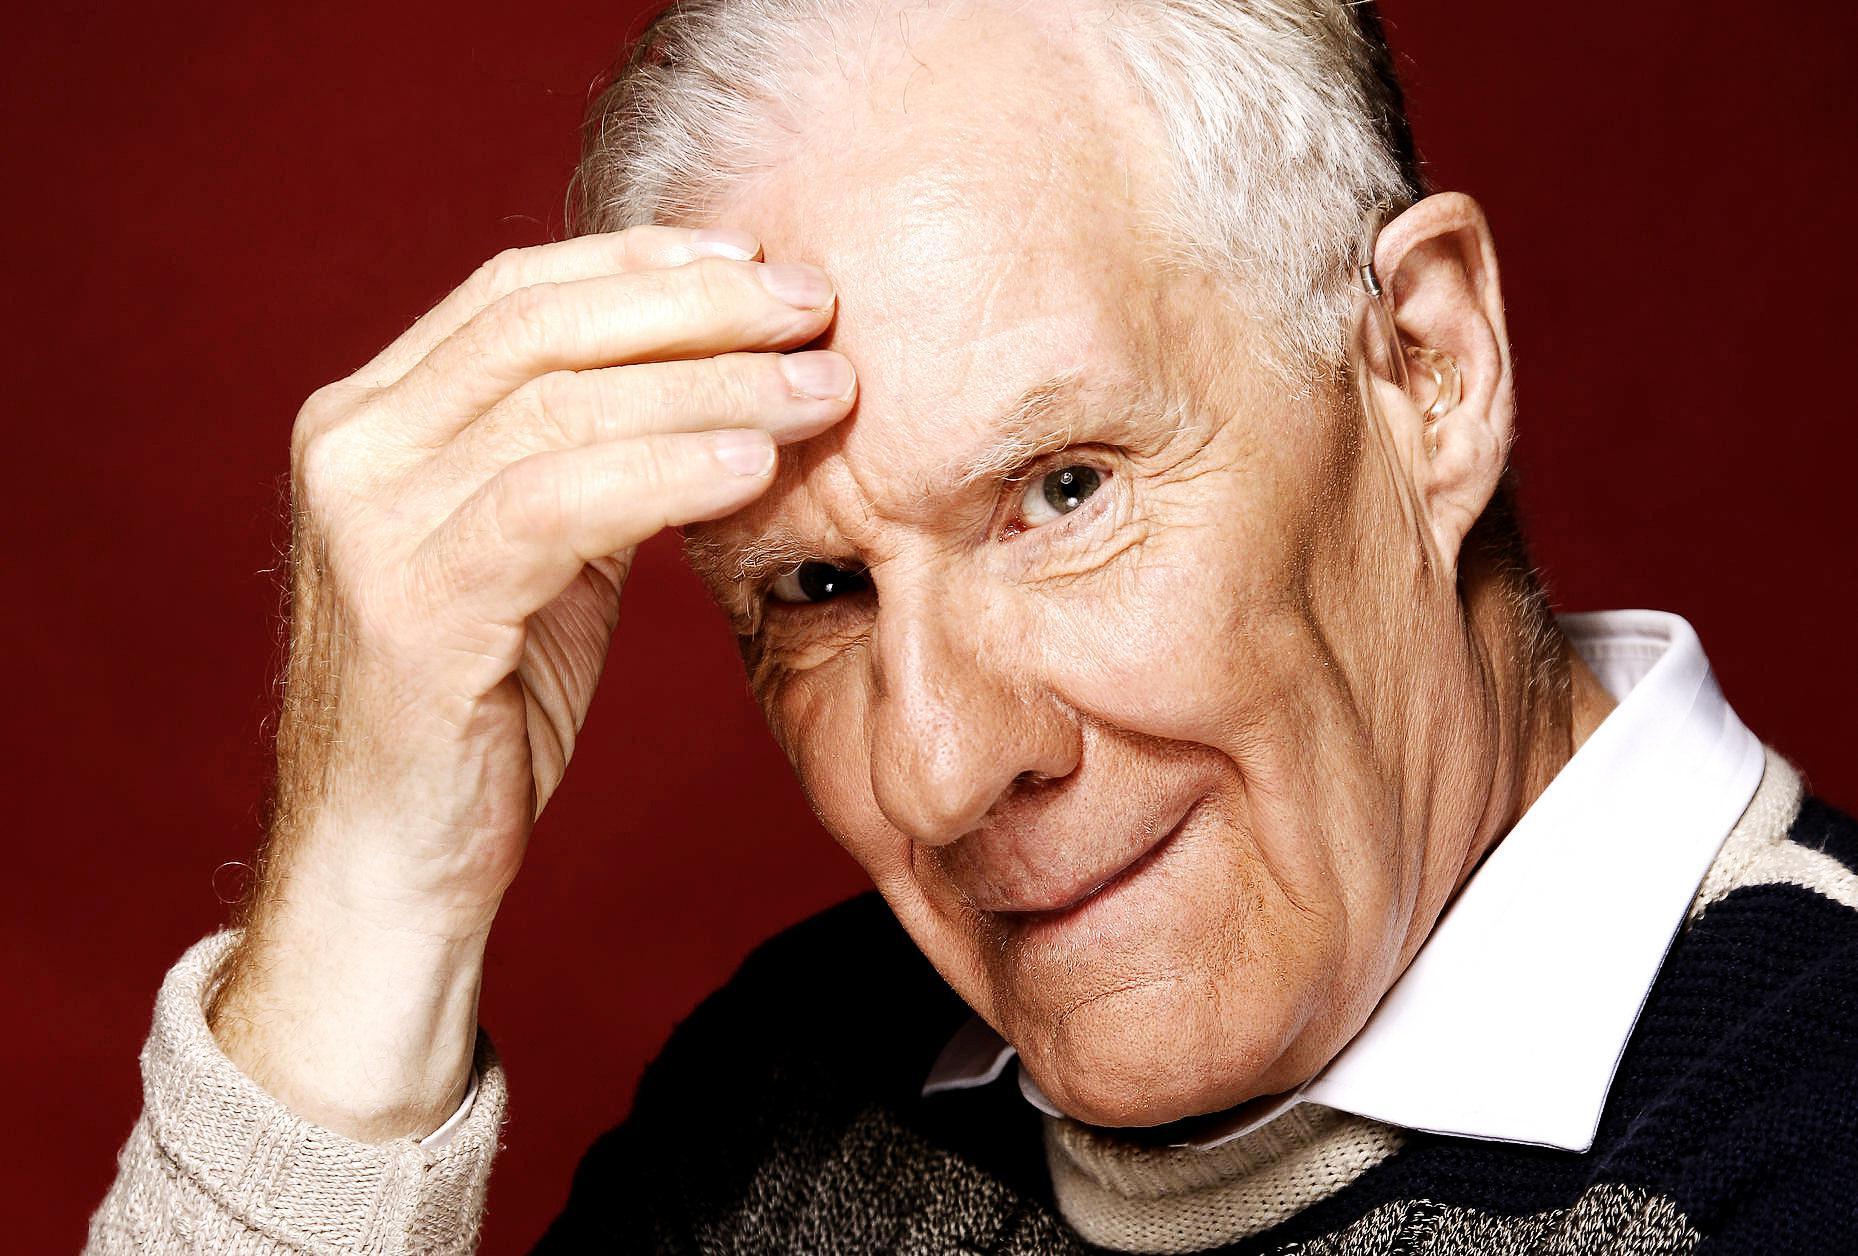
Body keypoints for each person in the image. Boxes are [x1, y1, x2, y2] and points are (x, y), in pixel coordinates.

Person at [87, 1, 1857, 1252]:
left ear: (1425, 369)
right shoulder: (790, 1094)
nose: (936, 769)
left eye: (1062, 490)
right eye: (816, 588)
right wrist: (366, 904)